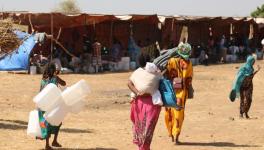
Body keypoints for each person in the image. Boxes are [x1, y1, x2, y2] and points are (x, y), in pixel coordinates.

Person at [128, 52, 162, 150]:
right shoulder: (156, 72)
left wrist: (137, 92)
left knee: (141, 128)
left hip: (139, 104)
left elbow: (129, 83)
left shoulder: (137, 72)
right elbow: (163, 82)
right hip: (152, 105)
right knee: (147, 130)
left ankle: (143, 148)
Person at [165, 43, 193, 144]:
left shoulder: (171, 61)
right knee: (179, 114)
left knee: (169, 113)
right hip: (181, 93)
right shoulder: (188, 63)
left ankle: (171, 134)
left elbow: (166, 74)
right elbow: (189, 80)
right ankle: (176, 135)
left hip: (169, 91)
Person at [37, 63, 66, 150]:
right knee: (55, 123)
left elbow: (40, 91)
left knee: (47, 124)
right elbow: (64, 83)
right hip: (51, 105)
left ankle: (51, 142)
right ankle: (50, 143)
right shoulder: (55, 78)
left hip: (42, 104)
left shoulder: (43, 79)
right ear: (54, 70)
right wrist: (56, 75)